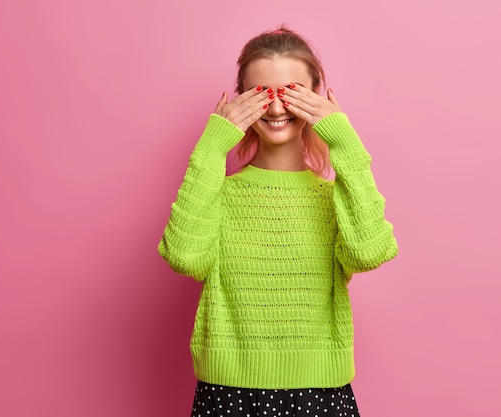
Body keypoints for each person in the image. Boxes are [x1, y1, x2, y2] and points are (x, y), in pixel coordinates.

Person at [158, 26, 398, 417]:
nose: (275, 108)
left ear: (316, 100)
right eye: (260, 95)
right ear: (239, 102)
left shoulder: (333, 198)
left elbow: (369, 251)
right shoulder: (219, 194)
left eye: (290, 93)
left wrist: (344, 140)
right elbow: (184, 256)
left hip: (320, 395)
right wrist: (212, 145)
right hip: (228, 394)